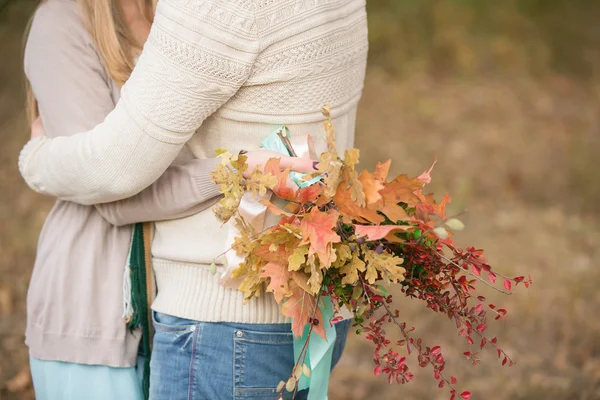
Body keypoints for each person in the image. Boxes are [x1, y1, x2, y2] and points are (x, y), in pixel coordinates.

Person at [19, 0, 367, 398]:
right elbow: (114, 193)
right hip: (99, 306)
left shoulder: (201, 13)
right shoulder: (64, 23)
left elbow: (115, 172)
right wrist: (235, 170)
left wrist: (38, 159)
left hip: (229, 311)